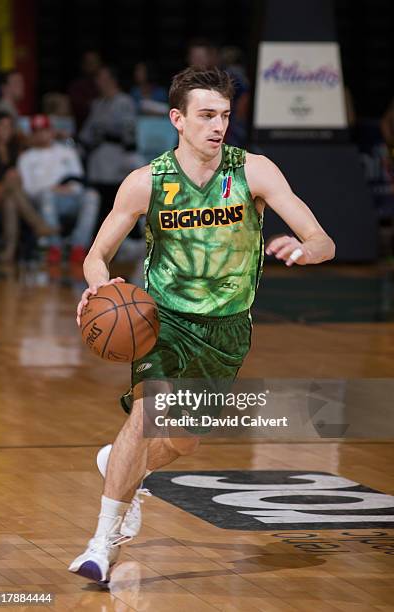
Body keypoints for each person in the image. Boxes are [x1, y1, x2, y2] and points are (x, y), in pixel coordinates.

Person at [68, 67, 335, 584]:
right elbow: (96, 255)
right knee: (145, 415)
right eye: (207, 115)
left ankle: (128, 470)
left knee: (185, 441)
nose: (218, 126)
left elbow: (322, 238)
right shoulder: (146, 182)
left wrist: (307, 249)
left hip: (228, 330)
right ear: (178, 119)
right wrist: (100, 287)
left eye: (225, 116)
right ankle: (102, 542)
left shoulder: (254, 172)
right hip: (162, 321)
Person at [17, 114, 99, 264]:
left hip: (69, 197)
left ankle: (78, 247)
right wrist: (52, 189)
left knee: (91, 195)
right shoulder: (26, 157)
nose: (42, 134)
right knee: (47, 195)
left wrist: (68, 189)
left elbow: (79, 181)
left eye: (45, 130)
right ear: (32, 134)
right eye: (37, 131)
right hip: (42, 201)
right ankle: (54, 247)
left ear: (52, 131)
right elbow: (28, 190)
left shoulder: (67, 152)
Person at [79, 65, 143, 229]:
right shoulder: (98, 103)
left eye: (103, 78)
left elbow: (129, 134)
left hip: (117, 154)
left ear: (112, 80)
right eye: (98, 79)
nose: (100, 82)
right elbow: (86, 133)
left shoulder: (124, 101)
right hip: (97, 154)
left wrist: (106, 132)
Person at [0, 111, 52, 262]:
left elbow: (36, 139)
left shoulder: (14, 149)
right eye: (1, 126)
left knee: (10, 200)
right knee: (11, 180)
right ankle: (37, 224)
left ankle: (9, 252)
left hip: (5, 196)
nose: (5, 130)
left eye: (9, 126)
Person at [68, 50, 102, 130]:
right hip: (82, 128)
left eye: (94, 62)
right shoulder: (77, 86)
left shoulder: (105, 85)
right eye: (88, 62)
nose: (91, 65)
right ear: (83, 65)